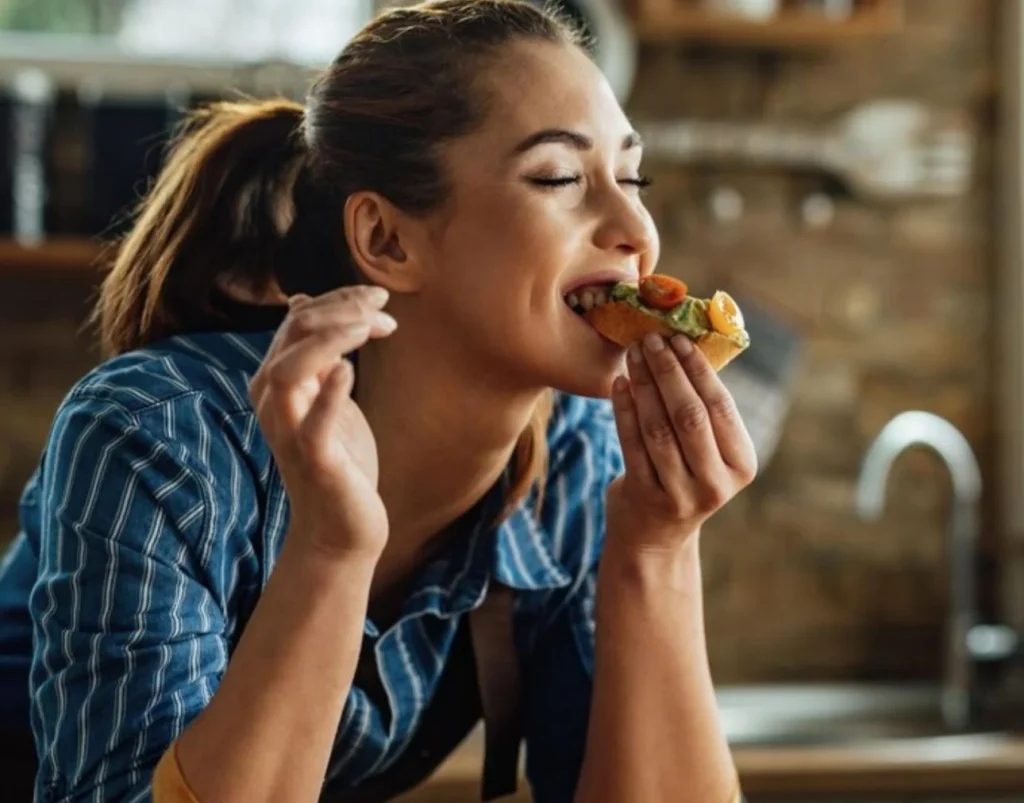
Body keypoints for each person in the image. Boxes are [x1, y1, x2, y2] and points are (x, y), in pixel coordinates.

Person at [0, 0, 757, 801]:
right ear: (388, 241)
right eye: (559, 177)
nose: (635, 226)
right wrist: (331, 549)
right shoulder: (157, 435)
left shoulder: (576, 454)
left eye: (630, 177)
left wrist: (658, 550)